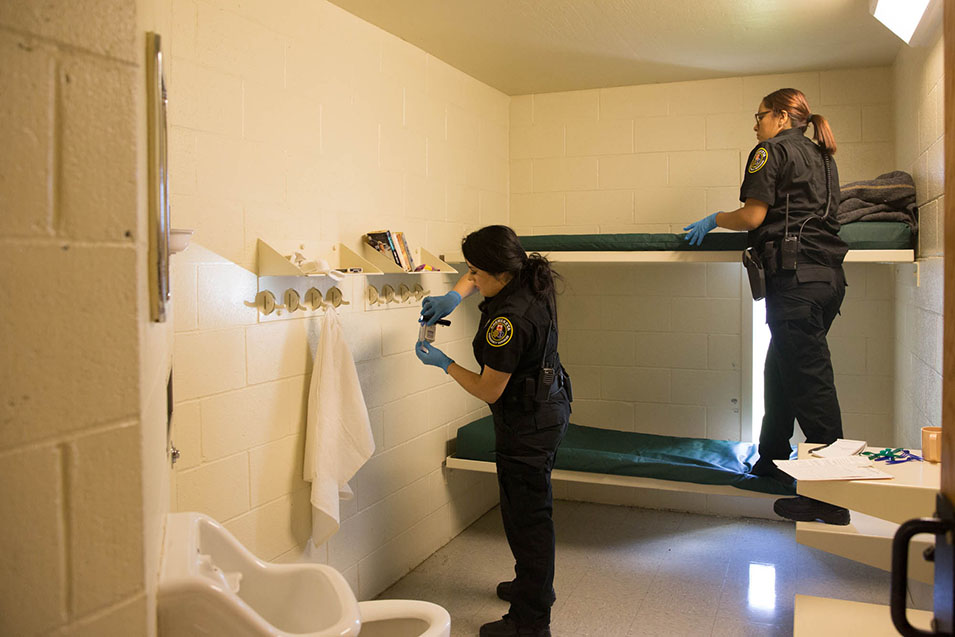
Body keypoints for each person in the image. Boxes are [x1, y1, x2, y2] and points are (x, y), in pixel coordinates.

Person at [683, 88, 850, 526]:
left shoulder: (769, 151)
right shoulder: (823, 156)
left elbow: (753, 216)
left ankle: (830, 498)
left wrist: (715, 218)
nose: (755, 124)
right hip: (828, 281)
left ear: (780, 116)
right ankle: (772, 458)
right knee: (780, 370)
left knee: (811, 386)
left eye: (758, 116)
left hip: (796, 284)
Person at [414, 225, 571, 637]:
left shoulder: (509, 321)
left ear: (500, 273)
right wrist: (454, 296)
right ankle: (532, 586)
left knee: (528, 521)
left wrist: (445, 363)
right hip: (546, 406)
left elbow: (488, 389)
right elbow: (478, 276)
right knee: (527, 512)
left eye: (475, 273)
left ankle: (530, 621)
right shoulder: (529, 275)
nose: (471, 279)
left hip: (528, 423)